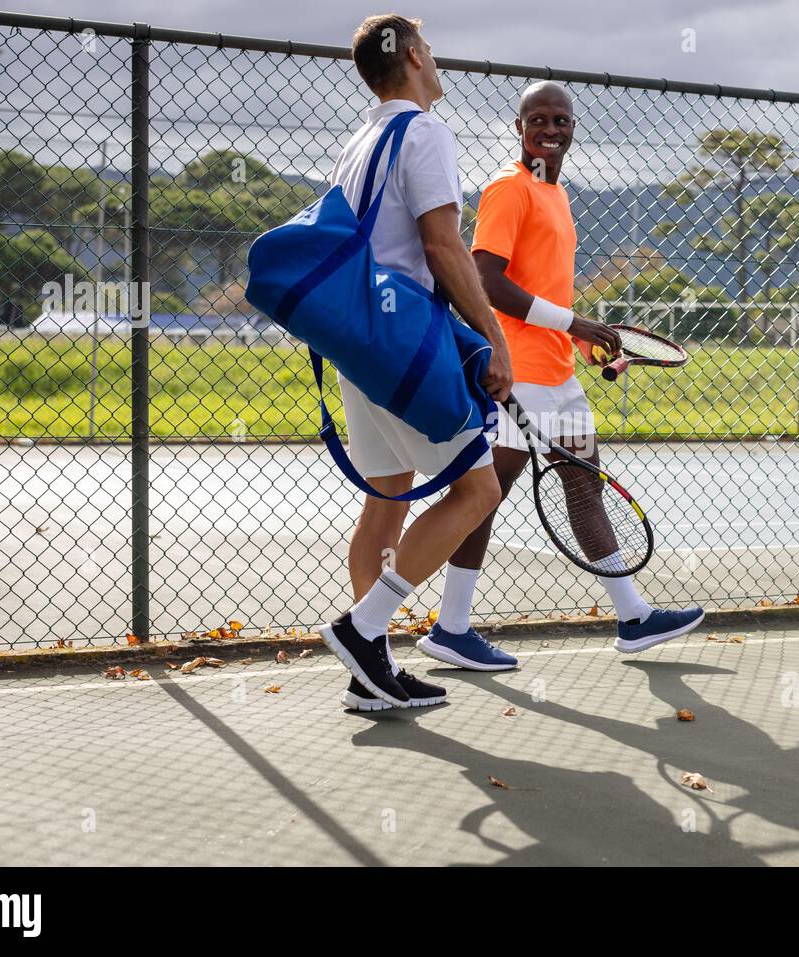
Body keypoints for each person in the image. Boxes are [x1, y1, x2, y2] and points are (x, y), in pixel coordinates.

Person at [413, 81, 705, 675]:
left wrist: (582, 340)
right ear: (519, 127)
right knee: (481, 501)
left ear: (573, 128)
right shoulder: (507, 189)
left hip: (559, 374)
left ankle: (632, 618)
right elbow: (485, 279)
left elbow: (544, 290)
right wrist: (578, 322)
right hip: (515, 377)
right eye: (539, 120)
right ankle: (449, 626)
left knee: (581, 484)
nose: (551, 129)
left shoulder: (558, 195)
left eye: (561, 120)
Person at [319, 14, 513, 709]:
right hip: (402, 343)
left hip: (356, 339)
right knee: (478, 490)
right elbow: (442, 245)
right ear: (412, 59)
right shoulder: (425, 131)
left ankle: (368, 673)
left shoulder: (359, 140)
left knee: (385, 495)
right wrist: (491, 335)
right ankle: (364, 629)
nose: (437, 62)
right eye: (429, 50)